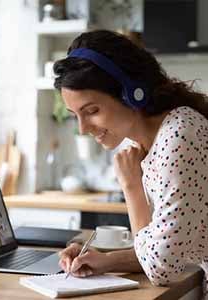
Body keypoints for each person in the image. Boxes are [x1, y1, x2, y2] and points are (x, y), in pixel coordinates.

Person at [54, 30, 208, 295]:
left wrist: (131, 186)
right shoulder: (159, 139)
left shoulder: (179, 137)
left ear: (132, 93)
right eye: (75, 115)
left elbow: (162, 268)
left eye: (92, 111)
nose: (82, 128)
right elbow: (163, 247)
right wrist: (104, 260)